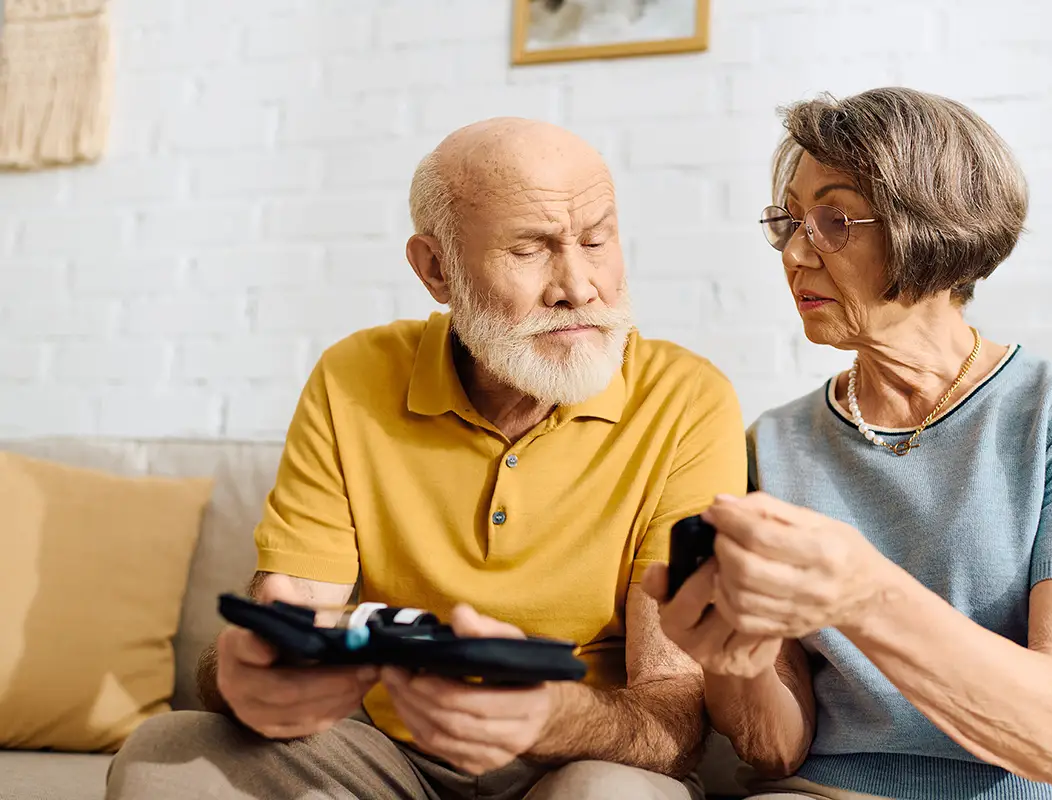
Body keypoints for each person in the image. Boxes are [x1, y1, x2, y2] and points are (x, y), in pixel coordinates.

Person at [105, 117, 747, 800]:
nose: (579, 286)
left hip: (577, 757)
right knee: (163, 753)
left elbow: (675, 712)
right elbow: (293, 617)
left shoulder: (688, 401)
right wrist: (243, 674)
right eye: (531, 250)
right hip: (386, 757)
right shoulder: (354, 376)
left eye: (597, 239)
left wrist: (550, 716)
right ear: (435, 268)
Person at [644, 87, 1052, 800]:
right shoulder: (778, 441)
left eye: (833, 219)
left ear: (934, 225)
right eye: (789, 220)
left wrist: (861, 591)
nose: (794, 253)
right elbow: (777, 752)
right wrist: (740, 661)